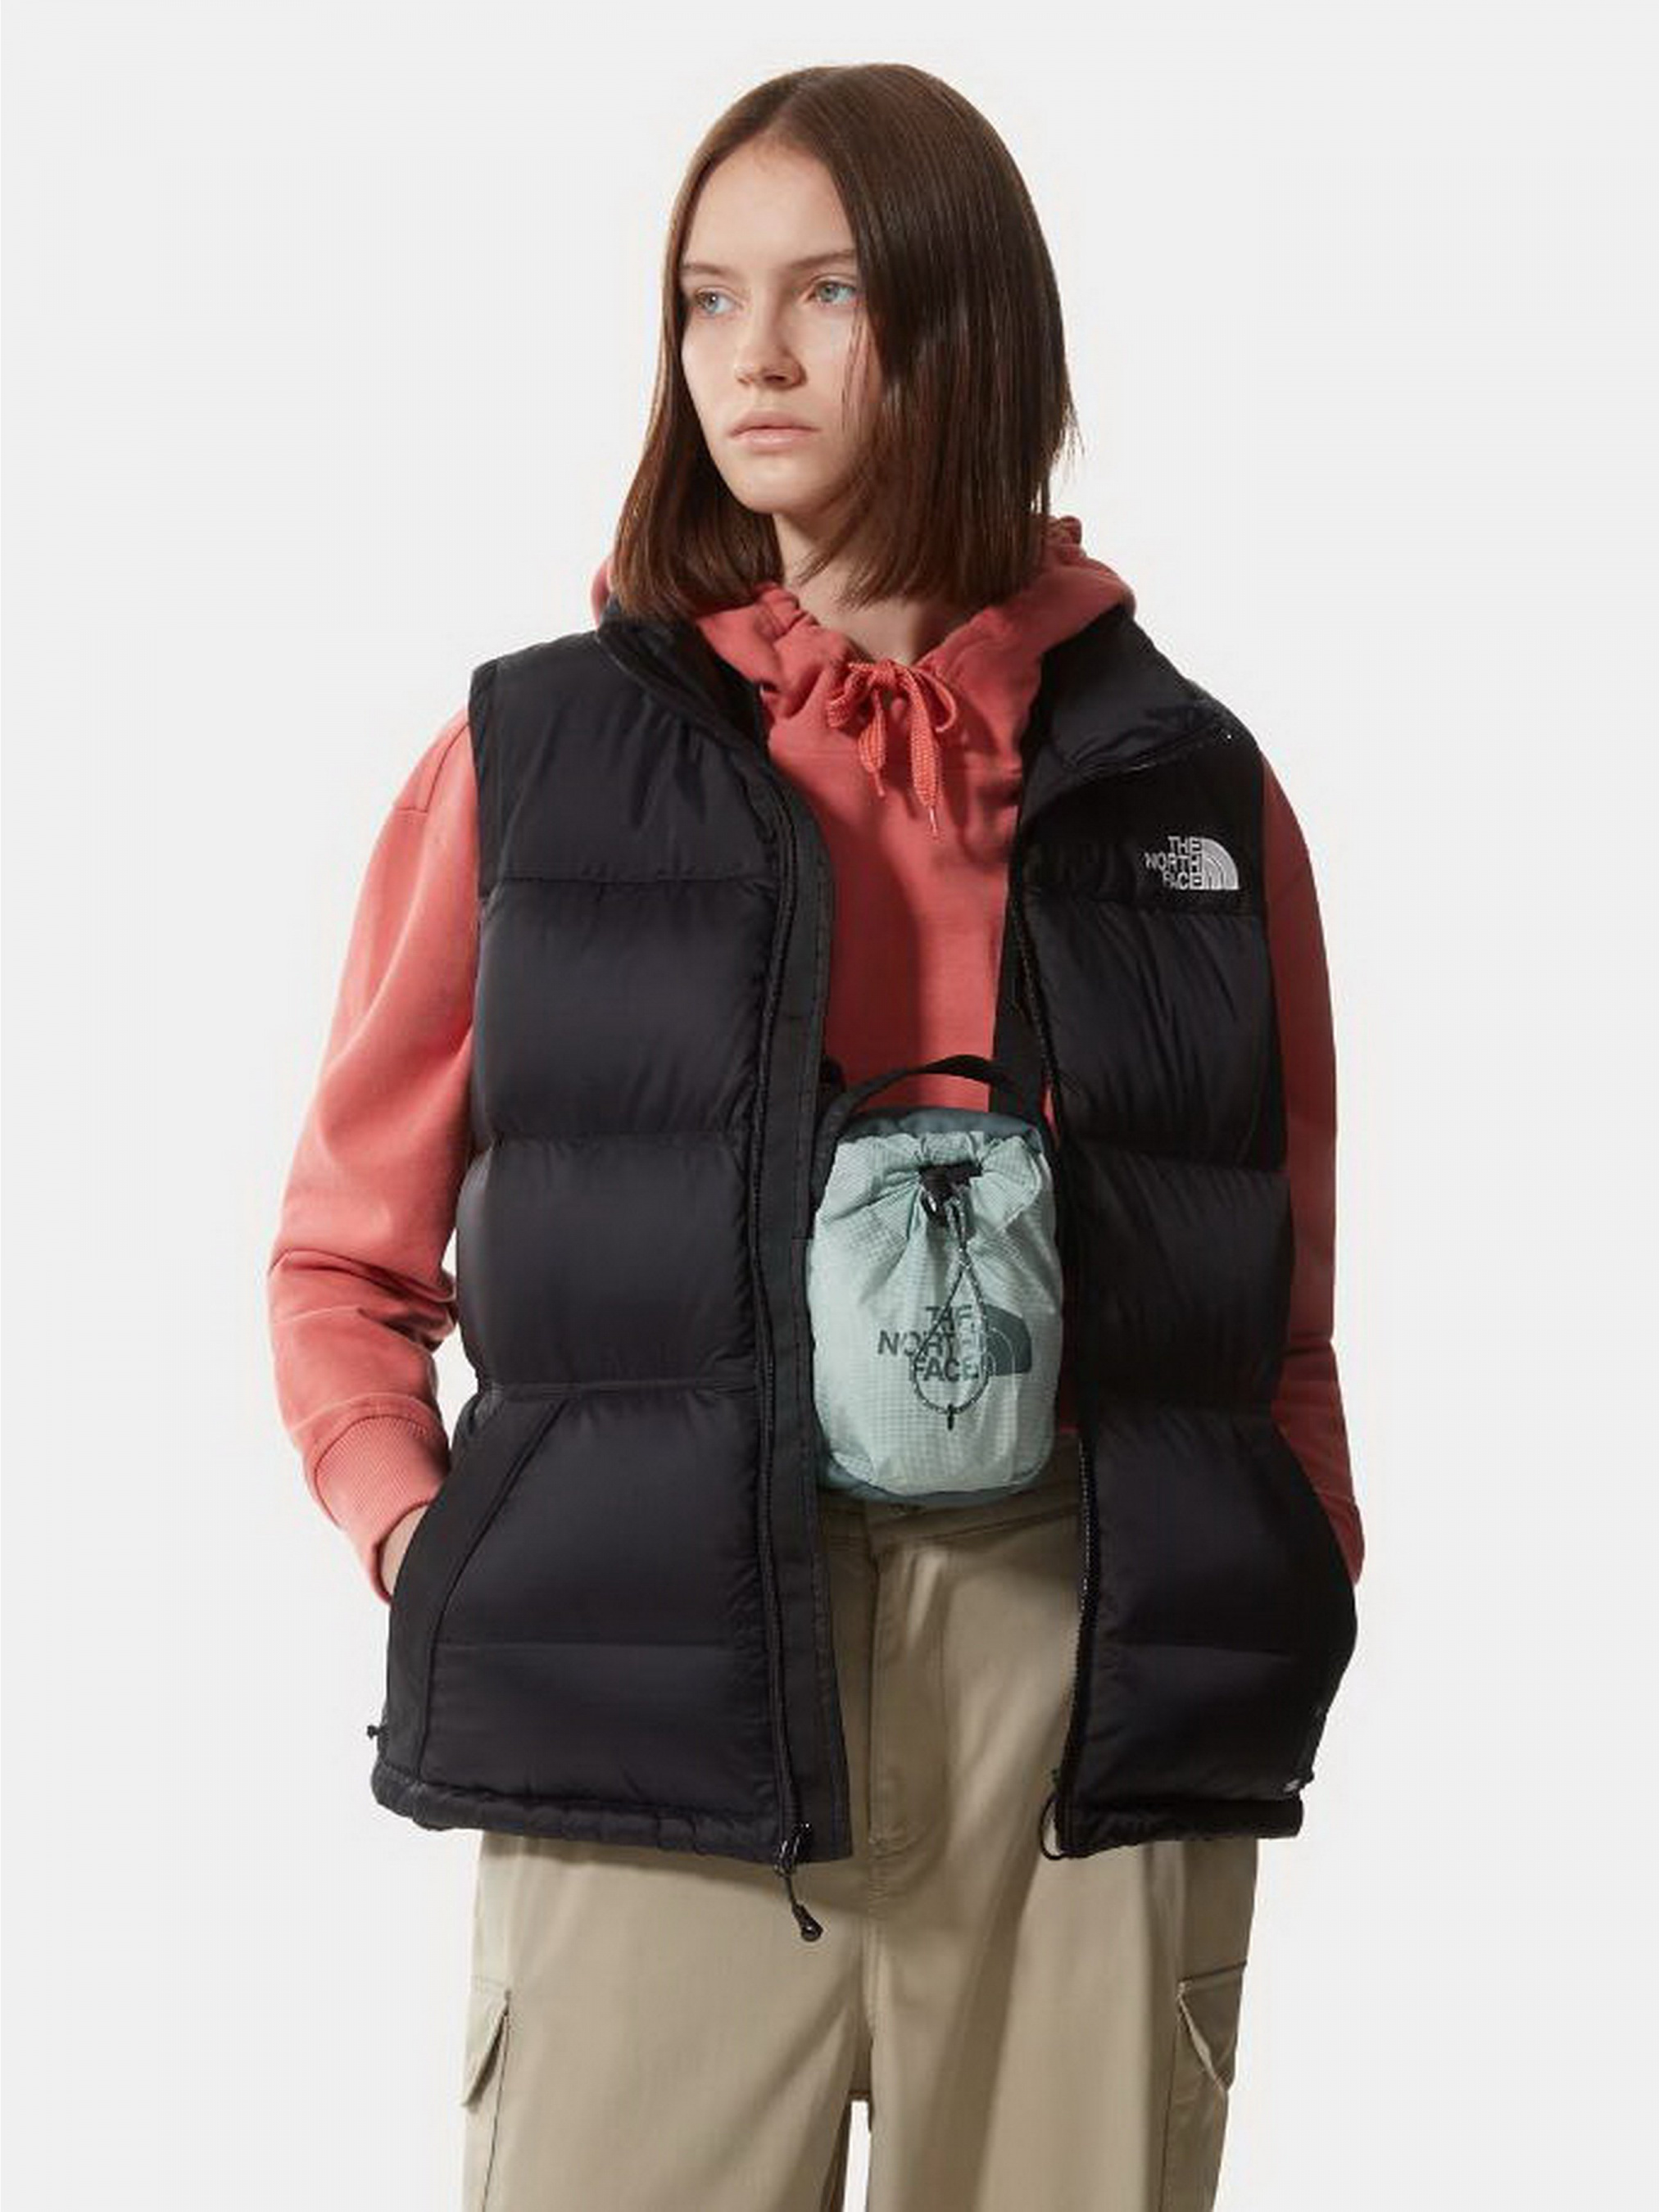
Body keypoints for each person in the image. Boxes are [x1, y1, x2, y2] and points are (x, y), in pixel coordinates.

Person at [268, 61, 1362, 2212]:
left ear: (970, 325)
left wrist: (1296, 1556)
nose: (749, 356)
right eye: (707, 297)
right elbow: (340, 1263)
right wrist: (438, 1542)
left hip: (1074, 1702)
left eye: (829, 291)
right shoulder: (534, 761)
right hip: (648, 1691)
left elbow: (1280, 1302)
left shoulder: (1189, 791)